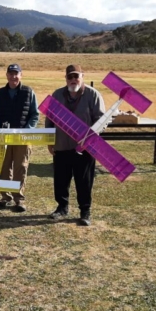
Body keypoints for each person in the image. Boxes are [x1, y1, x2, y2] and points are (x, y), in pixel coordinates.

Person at [45, 65, 105, 226]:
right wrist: (50, 141)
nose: (73, 80)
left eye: (76, 76)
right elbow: (49, 119)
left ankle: (85, 211)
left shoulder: (93, 95)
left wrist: (90, 141)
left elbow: (101, 121)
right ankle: (62, 207)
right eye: (70, 77)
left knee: (84, 181)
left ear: (82, 76)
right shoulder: (57, 95)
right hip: (62, 146)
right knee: (60, 180)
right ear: (65, 78)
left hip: (85, 148)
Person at [0, 64, 40, 212]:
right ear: (6, 75)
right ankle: (6, 197)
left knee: (20, 167)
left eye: (16, 74)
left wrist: (26, 131)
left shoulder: (29, 92)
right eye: (11, 74)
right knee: (4, 167)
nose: (13, 77)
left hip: (22, 138)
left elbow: (34, 115)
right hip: (3, 138)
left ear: (21, 75)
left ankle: (19, 198)